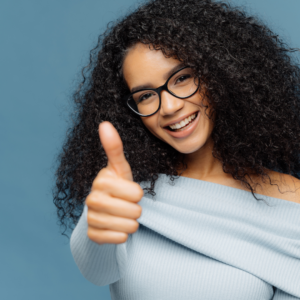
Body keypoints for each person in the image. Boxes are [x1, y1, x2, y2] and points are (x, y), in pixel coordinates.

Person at [53, 0, 300, 298]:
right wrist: (96, 218)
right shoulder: (127, 195)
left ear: (223, 71)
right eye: (145, 96)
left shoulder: (292, 202)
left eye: (182, 78)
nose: (169, 107)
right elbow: (96, 270)